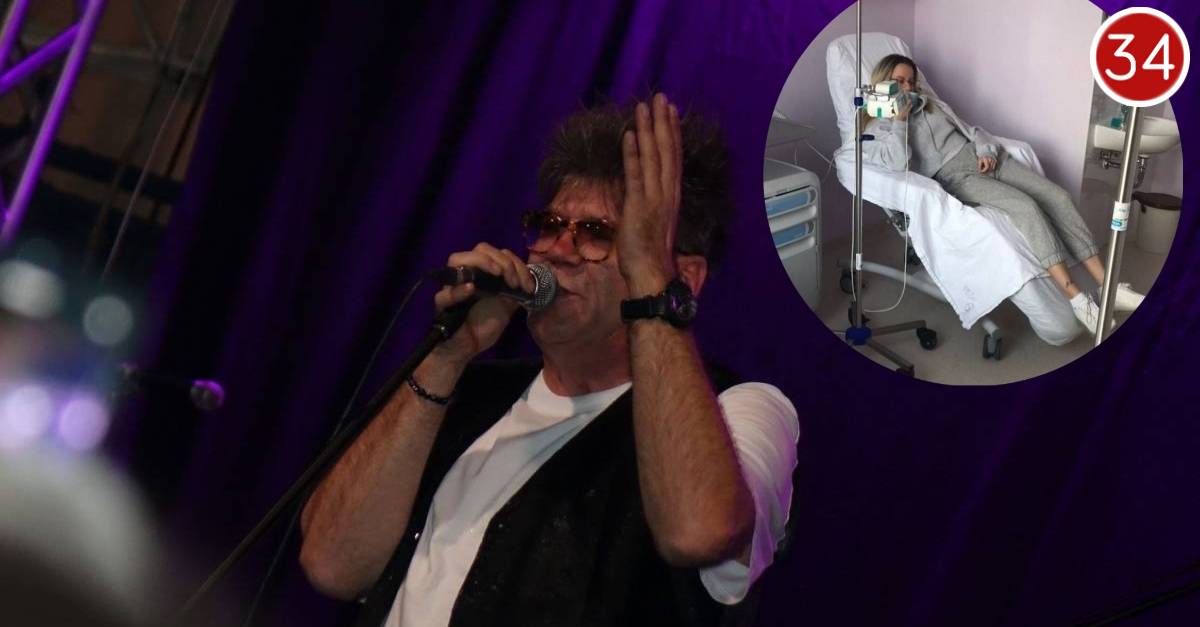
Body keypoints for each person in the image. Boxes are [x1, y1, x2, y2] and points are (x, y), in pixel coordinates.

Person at [298, 93, 799, 627]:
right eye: (549, 225)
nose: (557, 251)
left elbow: (697, 532)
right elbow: (331, 564)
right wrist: (447, 356)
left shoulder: (742, 413)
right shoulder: (464, 394)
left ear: (685, 276)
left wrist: (654, 283)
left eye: (596, 235)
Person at [860, 54, 1145, 335]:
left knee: (1059, 197)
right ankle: (1077, 300)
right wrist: (899, 120)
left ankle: (1109, 288)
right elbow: (897, 163)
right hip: (957, 177)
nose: (908, 88)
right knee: (1026, 208)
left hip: (989, 160)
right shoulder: (877, 128)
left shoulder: (932, 105)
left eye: (911, 82)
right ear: (883, 84)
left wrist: (985, 150)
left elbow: (973, 131)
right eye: (900, 82)